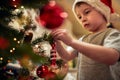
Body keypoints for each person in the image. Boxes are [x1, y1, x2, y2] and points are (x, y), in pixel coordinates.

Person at [51, 0, 120, 80]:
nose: (82, 19)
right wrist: (58, 43)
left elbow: (112, 57)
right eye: (79, 17)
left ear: (102, 12)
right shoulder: (82, 39)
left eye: (87, 12)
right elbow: (67, 56)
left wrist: (72, 42)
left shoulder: (112, 34)